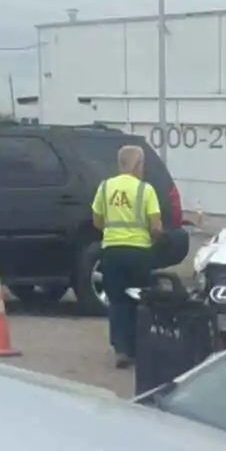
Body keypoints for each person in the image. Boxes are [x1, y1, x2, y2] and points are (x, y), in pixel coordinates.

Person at [91, 146, 164, 369]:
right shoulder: (145, 190)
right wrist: (156, 239)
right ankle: (138, 347)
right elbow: (156, 226)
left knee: (117, 301)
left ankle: (121, 349)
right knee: (139, 299)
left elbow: (97, 221)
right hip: (138, 252)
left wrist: (113, 233)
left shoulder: (105, 187)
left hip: (112, 251)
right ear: (138, 163)